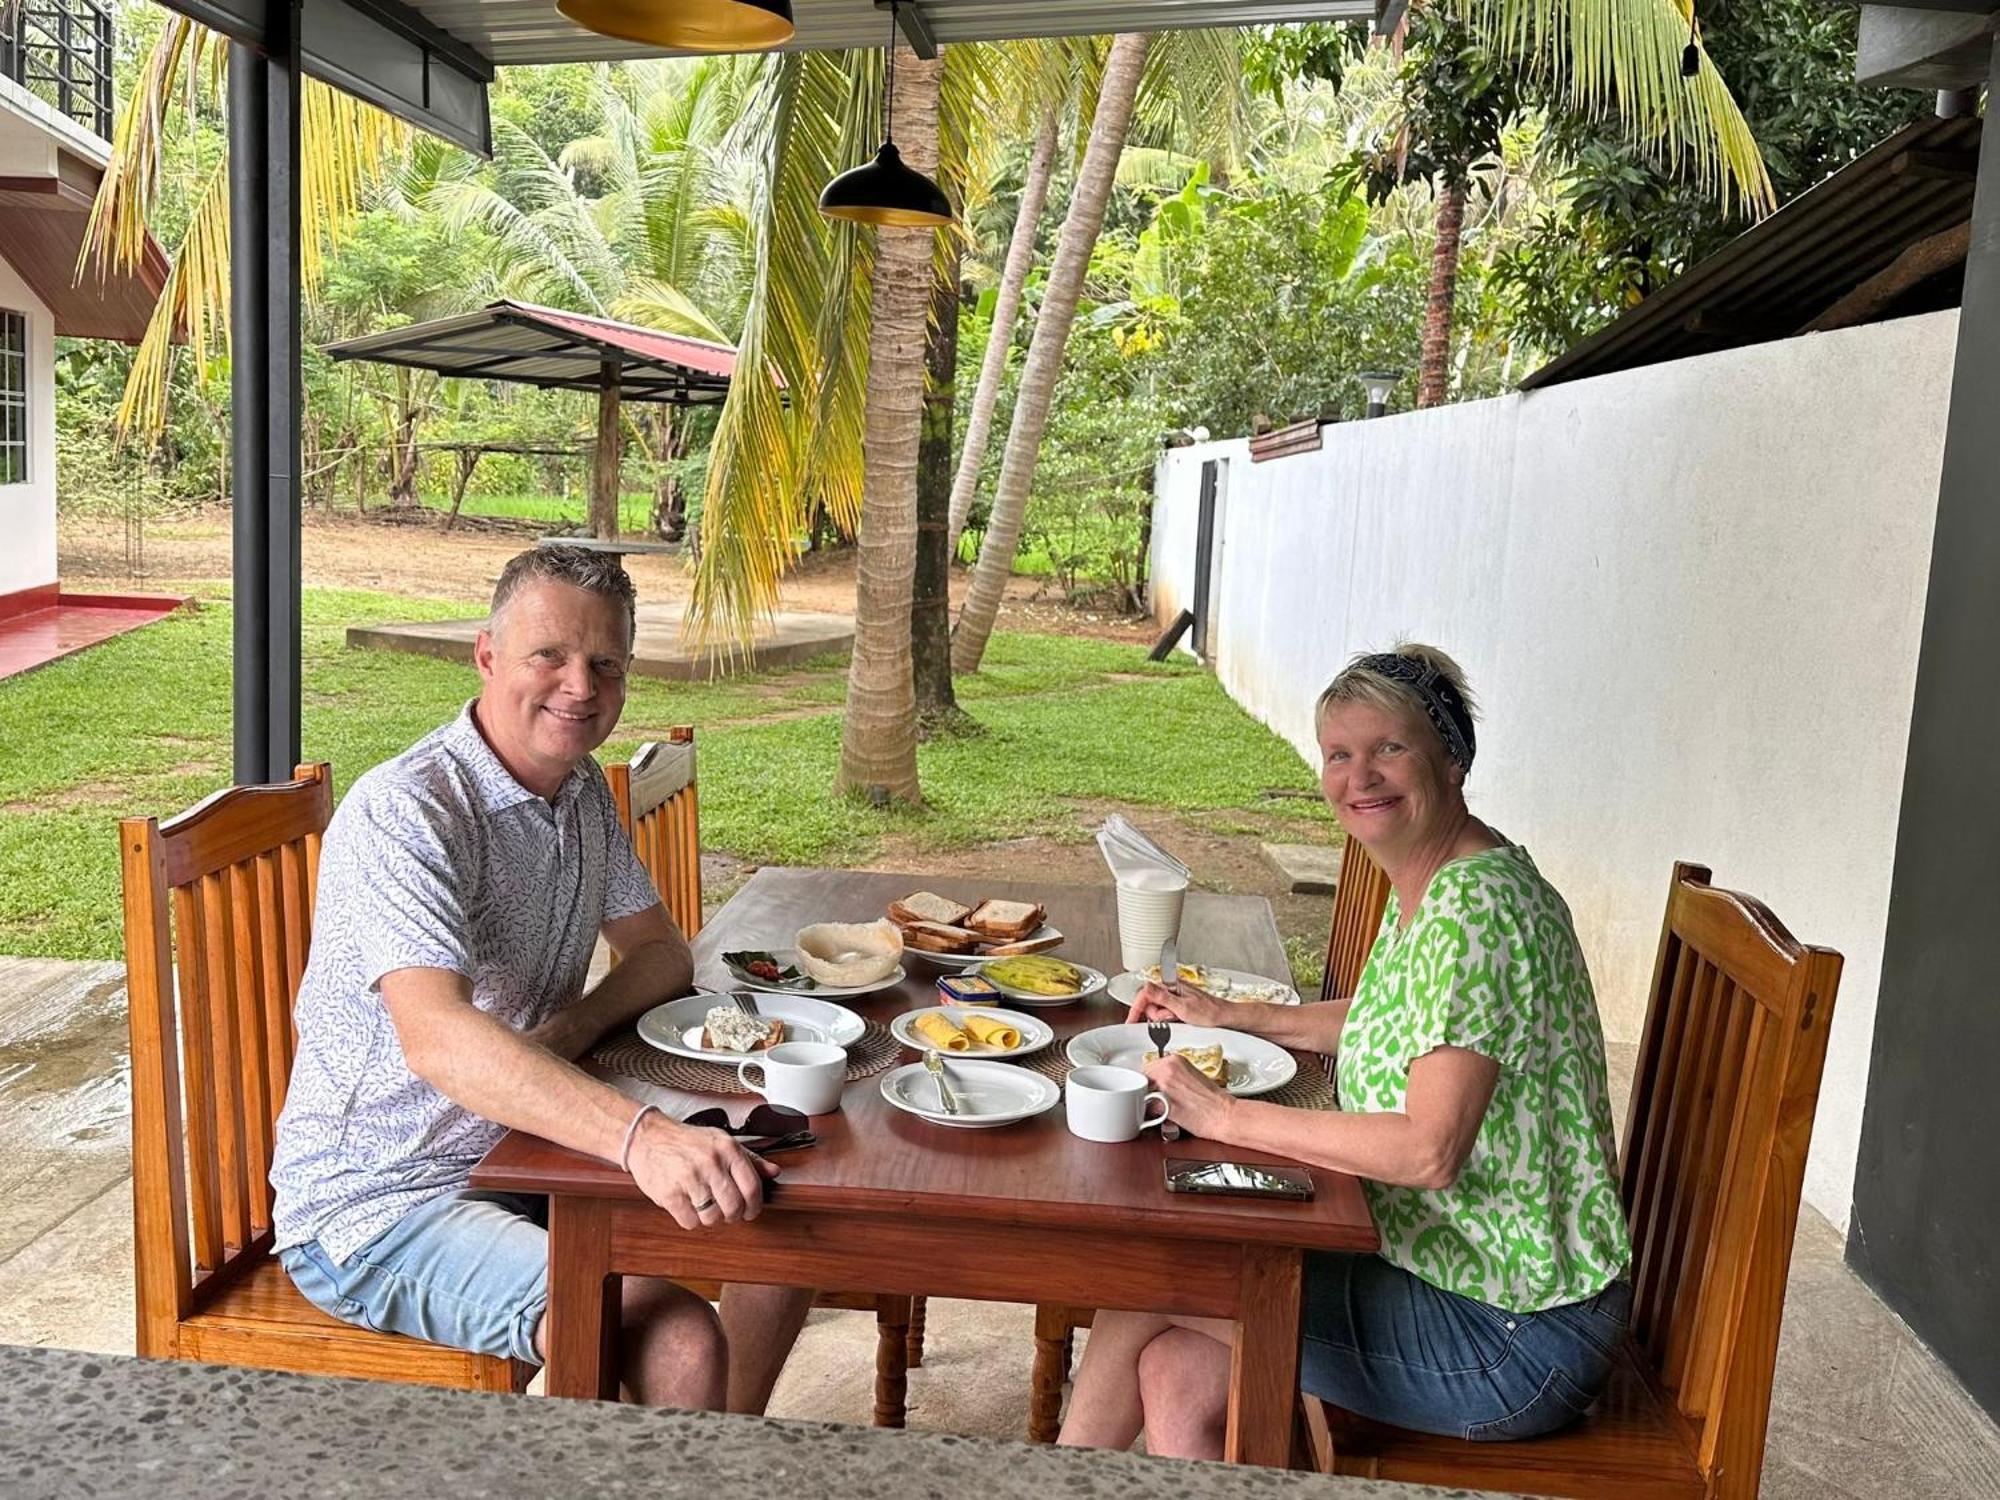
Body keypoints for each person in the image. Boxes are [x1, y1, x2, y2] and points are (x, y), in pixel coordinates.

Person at [270, 545, 813, 1411]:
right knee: (672, 1335)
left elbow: (662, 953)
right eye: (548, 656)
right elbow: (439, 1038)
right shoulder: (407, 811)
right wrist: (642, 1137)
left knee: (788, 1230)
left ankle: (713, 1456)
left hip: (525, 1153)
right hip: (382, 1202)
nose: (579, 686)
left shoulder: (581, 790)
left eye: (605, 664)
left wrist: (568, 1033)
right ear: (487, 656)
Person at [1059, 644, 1633, 1458]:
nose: (1360, 776)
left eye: (1389, 748)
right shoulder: (1452, 876)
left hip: (1511, 1333)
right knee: (1178, 1367)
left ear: (1453, 757)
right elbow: (1397, 1019)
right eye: (1340, 754)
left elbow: (1427, 1149)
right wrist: (1234, 1015)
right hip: (1469, 1282)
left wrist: (1225, 1114)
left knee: (1160, 1277)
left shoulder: (1478, 910)